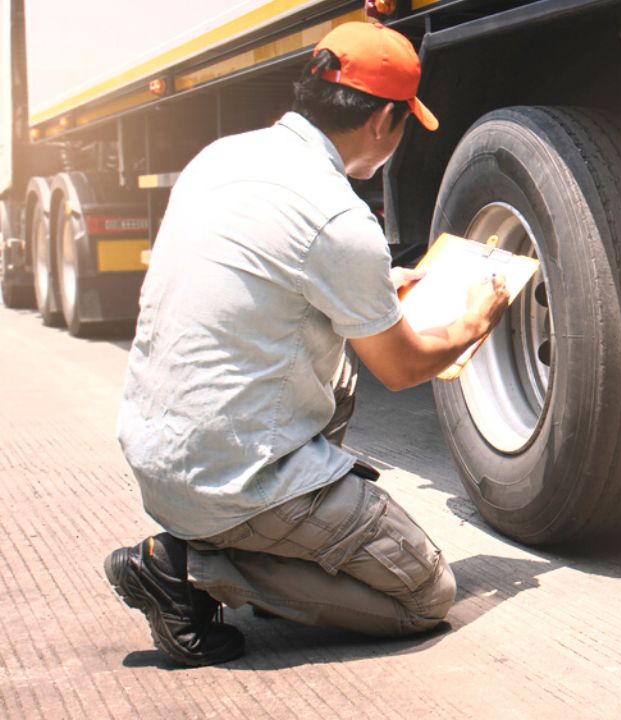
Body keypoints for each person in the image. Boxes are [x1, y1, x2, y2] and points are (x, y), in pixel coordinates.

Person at [104, 22, 509, 667]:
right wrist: (474, 320)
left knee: (339, 375)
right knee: (424, 594)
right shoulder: (339, 218)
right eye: (405, 125)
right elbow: (402, 368)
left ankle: (231, 544)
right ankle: (188, 567)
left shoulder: (222, 158)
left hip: (160, 455)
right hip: (229, 476)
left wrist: (377, 284)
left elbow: (263, 275)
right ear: (382, 120)